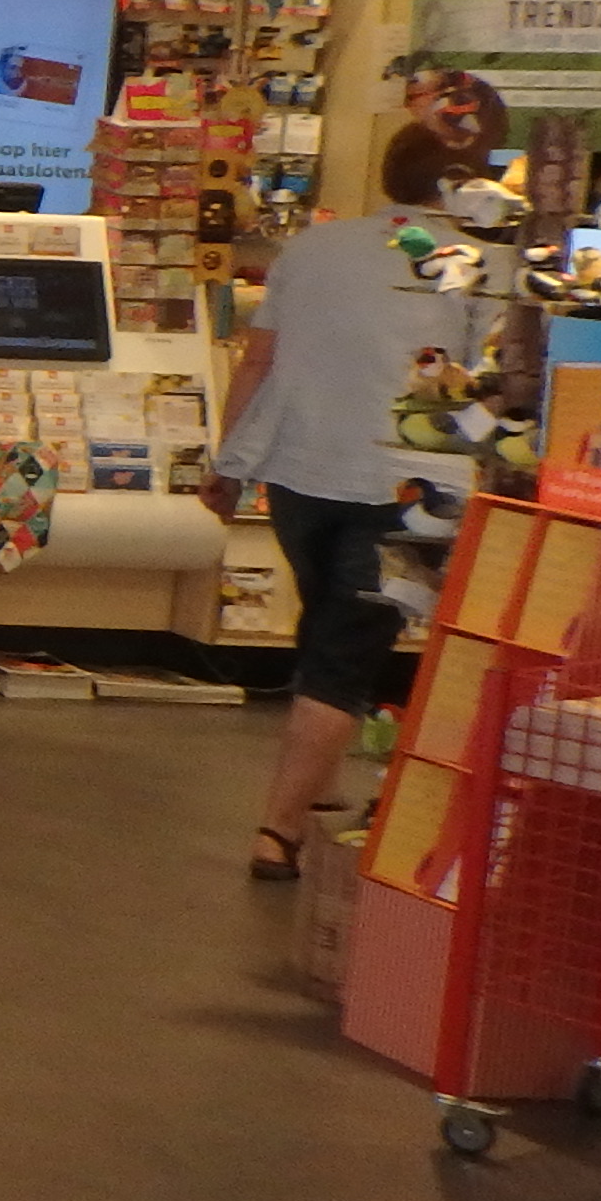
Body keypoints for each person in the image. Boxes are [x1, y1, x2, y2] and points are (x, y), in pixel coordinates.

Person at [205, 123, 479, 880]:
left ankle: (317, 784)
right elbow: (493, 383)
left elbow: (258, 360)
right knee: (347, 649)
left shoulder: (314, 247)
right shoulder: (476, 262)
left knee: (327, 619)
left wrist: (227, 464)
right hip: (416, 488)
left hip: (300, 473)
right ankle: (278, 831)